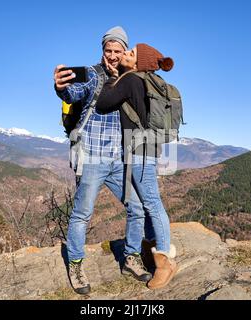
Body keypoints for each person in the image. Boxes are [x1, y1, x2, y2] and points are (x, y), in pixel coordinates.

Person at [54, 27, 153, 295]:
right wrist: (60, 88)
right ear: (102, 51)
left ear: (124, 52)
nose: (111, 56)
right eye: (108, 50)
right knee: (82, 214)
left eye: (117, 51)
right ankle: (75, 264)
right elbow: (73, 93)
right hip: (93, 157)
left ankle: (131, 257)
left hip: (121, 159)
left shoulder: (130, 79)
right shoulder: (93, 74)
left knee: (137, 208)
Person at [96, 43, 178, 289]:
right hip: (147, 149)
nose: (124, 55)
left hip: (140, 151)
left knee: (152, 202)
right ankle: (150, 247)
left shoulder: (130, 79)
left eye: (130, 54)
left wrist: (112, 78)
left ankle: (165, 262)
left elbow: (103, 103)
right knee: (145, 202)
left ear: (137, 63)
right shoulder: (147, 81)